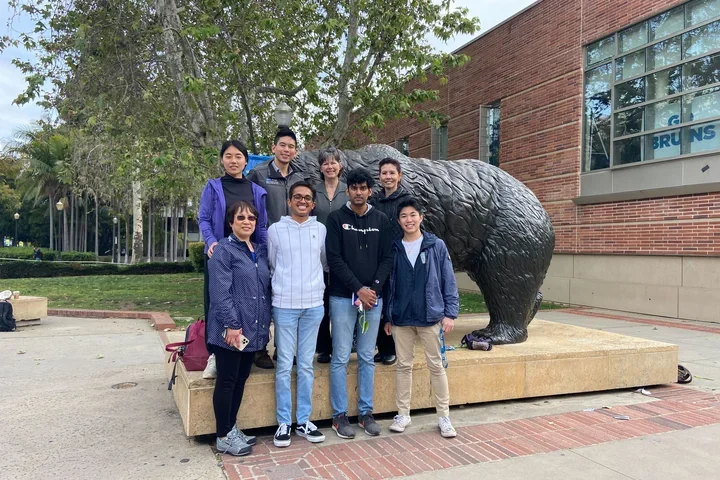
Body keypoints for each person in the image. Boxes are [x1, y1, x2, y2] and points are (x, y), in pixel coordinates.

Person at [325, 168, 393, 439]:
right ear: (347, 190)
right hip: (343, 297)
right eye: (353, 188)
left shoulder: (382, 219)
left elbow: (387, 258)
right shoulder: (335, 219)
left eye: (363, 188)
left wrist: (372, 290)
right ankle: (339, 416)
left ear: (369, 191)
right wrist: (358, 289)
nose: (358, 192)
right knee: (340, 357)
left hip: (373, 300)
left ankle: (366, 413)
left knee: (366, 356)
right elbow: (334, 259)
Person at [383, 198, 459, 438]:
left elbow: (448, 279)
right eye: (404, 216)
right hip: (401, 319)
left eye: (413, 214)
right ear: (399, 220)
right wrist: (388, 317)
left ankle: (444, 417)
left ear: (421, 217)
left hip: (430, 317)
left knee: (436, 366)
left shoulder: (435, 245)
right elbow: (389, 286)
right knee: (403, 366)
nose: (409, 219)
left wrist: (450, 313)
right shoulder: (394, 248)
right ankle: (403, 414)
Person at [199, 139, 270, 376]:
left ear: (246, 161)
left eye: (238, 156)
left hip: (249, 256)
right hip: (222, 252)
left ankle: (250, 350)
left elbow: (261, 226)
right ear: (222, 159)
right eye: (228, 156)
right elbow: (204, 219)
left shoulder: (257, 191)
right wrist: (212, 242)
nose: (233, 161)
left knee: (251, 303)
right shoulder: (213, 187)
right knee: (217, 302)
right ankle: (215, 354)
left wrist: (263, 253)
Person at [207, 200, 272, 456]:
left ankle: (232, 427)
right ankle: (223, 435)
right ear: (231, 222)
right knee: (227, 380)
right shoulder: (223, 251)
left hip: (251, 331)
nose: (247, 222)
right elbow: (220, 294)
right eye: (241, 218)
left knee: (241, 379)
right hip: (231, 331)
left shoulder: (258, 250)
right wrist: (232, 326)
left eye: (251, 218)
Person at [268, 181, 327, 447]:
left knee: (305, 365)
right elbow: (272, 264)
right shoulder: (275, 231)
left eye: (307, 198)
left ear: (313, 204)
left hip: (313, 306)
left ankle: (303, 420)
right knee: (283, 366)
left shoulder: (321, 230)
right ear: (289, 201)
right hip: (284, 306)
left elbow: (323, 263)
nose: (302, 201)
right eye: (297, 197)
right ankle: (283, 423)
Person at [248, 127, 306, 368]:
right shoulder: (258, 174)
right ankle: (259, 348)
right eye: (282, 145)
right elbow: (248, 208)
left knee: (287, 297)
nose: (286, 150)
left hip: (292, 248)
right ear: (273, 148)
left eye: (291, 146)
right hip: (264, 245)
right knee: (262, 297)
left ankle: (284, 348)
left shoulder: (299, 176)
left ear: (295, 151)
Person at [371, 157, 412, 365]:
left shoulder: (407, 199)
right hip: (378, 258)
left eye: (391, 173)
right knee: (380, 302)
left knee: (395, 302)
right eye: (384, 173)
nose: (388, 177)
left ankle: (394, 349)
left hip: (399, 256)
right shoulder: (374, 201)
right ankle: (382, 346)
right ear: (379, 177)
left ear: (399, 175)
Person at [313, 146, 349, 364]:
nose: (329, 166)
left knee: (341, 302)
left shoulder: (348, 190)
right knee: (322, 302)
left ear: (340, 166)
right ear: (320, 167)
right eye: (325, 162)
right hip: (317, 254)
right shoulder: (312, 191)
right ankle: (323, 347)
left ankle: (343, 344)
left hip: (343, 254)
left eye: (333, 162)